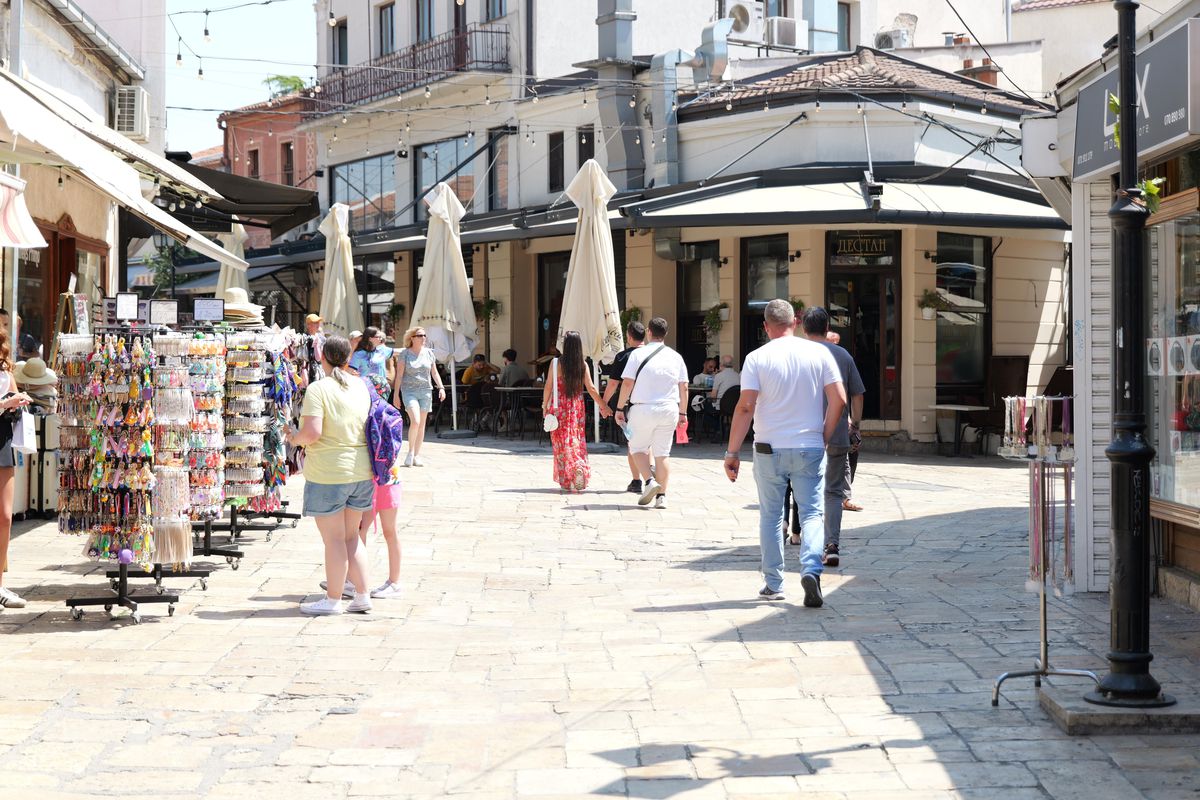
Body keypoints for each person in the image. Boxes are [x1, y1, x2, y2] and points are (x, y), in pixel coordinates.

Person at [723, 298, 845, 609]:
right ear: (796, 322)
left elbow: (746, 406)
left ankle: (774, 583)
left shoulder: (757, 358)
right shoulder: (819, 353)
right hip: (809, 446)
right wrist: (824, 434)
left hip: (768, 448)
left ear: (765, 326)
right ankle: (811, 570)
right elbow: (839, 400)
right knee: (813, 513)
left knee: (771, 515)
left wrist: (732, 451)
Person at [287, 334, 373, 616]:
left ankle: (334, 599)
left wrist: (293, 439)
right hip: (360, 470)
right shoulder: (360, 385)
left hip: (329, 472)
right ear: (349, 358)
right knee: (352, 538)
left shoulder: (318, 389)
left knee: (334, 540)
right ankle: (362, 595)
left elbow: (313, 433)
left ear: (321, 356)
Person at [794, 307, 865, 567]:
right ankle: (831, 545)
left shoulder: (796, 354)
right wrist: (854, 424)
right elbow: (857, 394)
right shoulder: (842, 355)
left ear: (803, 328)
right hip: (836, 432)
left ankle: (806, 543)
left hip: (802, 435)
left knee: (806, 492)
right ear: (827, 327)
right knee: (834, 493)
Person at [615, 317, 688, 509]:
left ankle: (649, 481)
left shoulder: (637, 355)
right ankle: (662, 497)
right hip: (669, 408)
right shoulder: (676, 356)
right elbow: (684, 387)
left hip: (643, 408)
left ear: (648, 332)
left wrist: (620, 407)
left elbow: (628, 383)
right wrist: (683, 413)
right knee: (662, 454)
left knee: (637, 448)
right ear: (665, 333)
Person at [542, 332, 610, 492]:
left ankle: (567, 479)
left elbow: (548, 387)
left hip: (558, 409)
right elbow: (592, 389)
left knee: (561, 444)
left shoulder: (555, 363)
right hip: (576, 409)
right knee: (575, 440)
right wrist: (603, 406)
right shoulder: (583, 365)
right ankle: (578, 466)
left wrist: (544, 406)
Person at [0, 320, 32, 609]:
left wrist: (17, 399)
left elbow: (12, 393)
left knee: (5, 515)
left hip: (1, 439)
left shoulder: (5, 369)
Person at [602, 321, 647, 493]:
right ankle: (649, 474)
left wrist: (604, 403)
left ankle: (637, 480)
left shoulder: (623, 356)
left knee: (634, 443)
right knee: (647, 444)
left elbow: (614, 384)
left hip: (632, 404)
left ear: (628, 336)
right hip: (656, 404)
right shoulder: (656, 354)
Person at [394, 326, 445, 467]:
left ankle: (416, 455)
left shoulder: (429, 353)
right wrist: (396, 395)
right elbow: (399, 376)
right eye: (420, 335)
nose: (424, 338)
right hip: (409, 391)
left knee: (422, 424)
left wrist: (441, 388)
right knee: (415, 421)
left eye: (424, 335)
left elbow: (434, 373)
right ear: (412, 338)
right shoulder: (405, 354)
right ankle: (410, 452)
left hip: (426, 391)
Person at [348, 326, 394, 399]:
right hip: (365, 390)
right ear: (370, 338)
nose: (380, 339)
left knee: (381, 410)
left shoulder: (383, 350)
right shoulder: (359, 354)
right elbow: (348, 372)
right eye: (378, 337)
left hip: (382, 390)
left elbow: (400, 352)